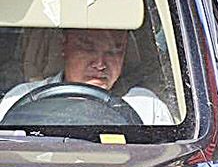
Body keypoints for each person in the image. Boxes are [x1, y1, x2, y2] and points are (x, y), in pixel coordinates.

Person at [0, 28, 173, 125]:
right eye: (88, 49)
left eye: (113, 51)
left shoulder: (146, 106)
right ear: (64, 47)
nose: (100, 64)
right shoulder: (21, 99)